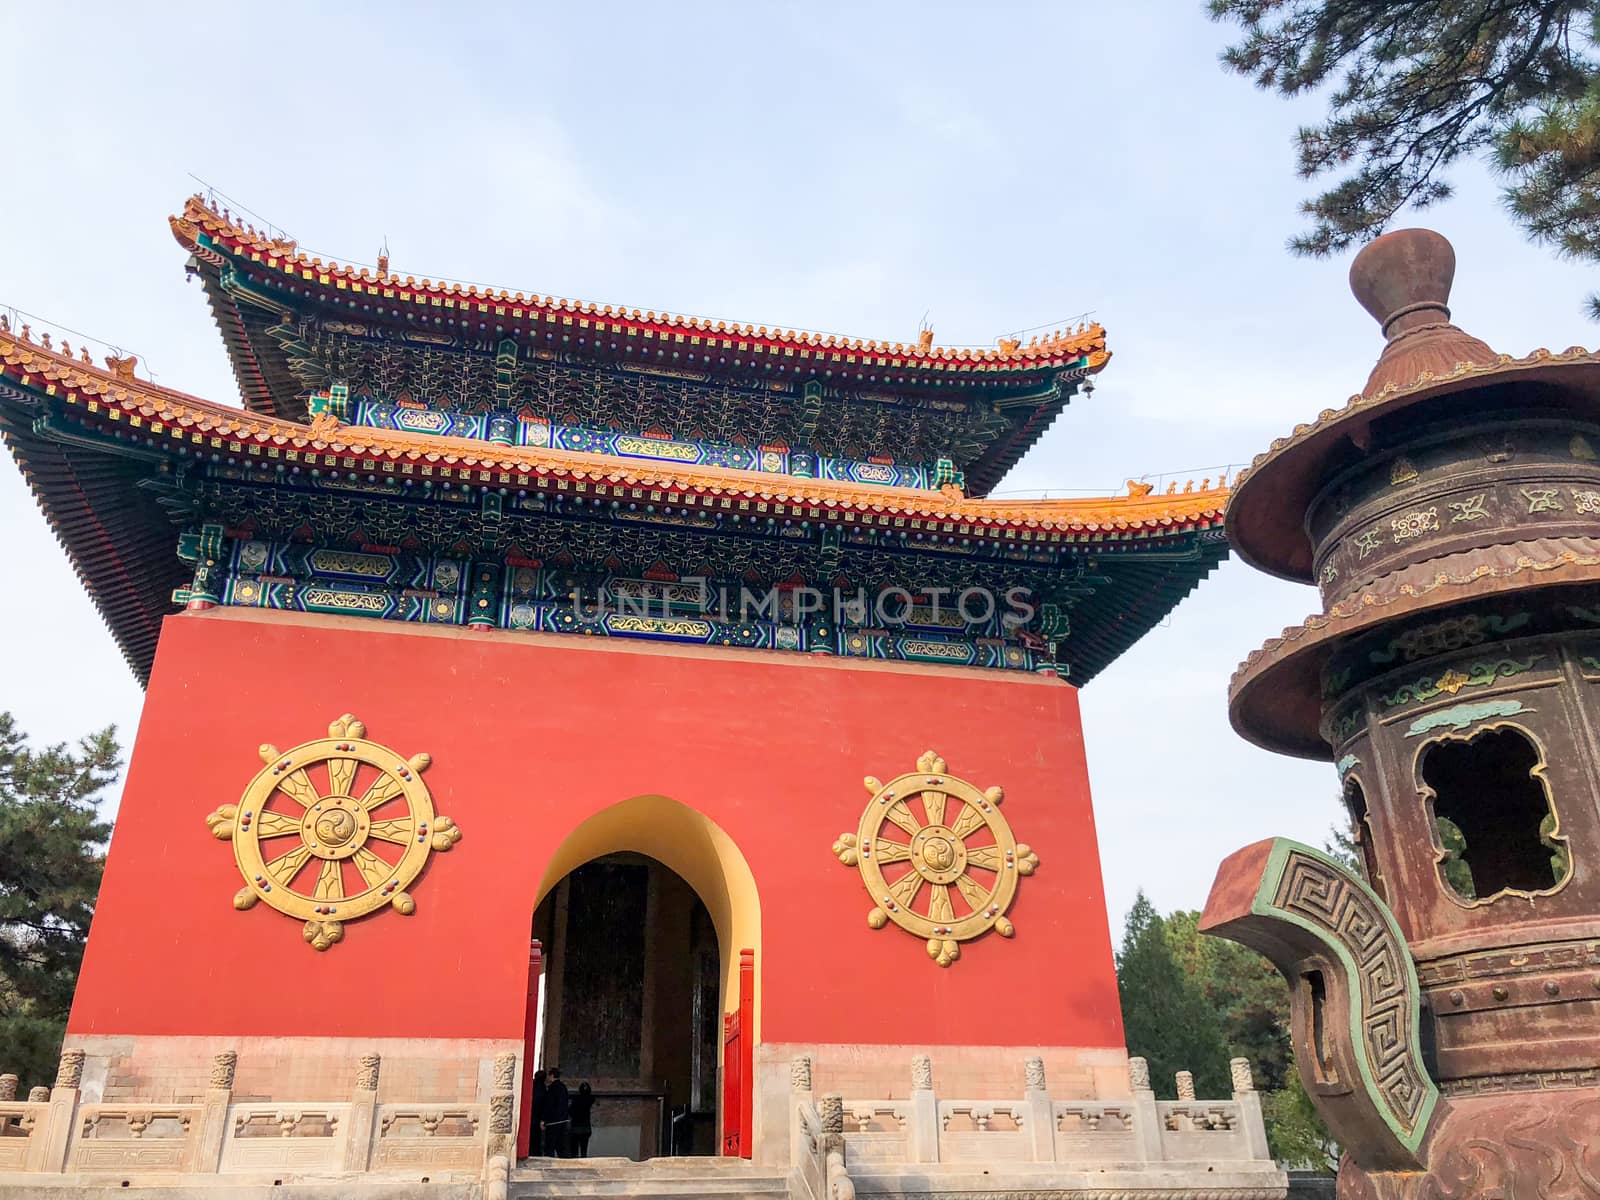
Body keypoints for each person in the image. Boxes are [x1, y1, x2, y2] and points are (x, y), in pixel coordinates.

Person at [543, 1067, 572, 1157]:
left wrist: (544, 1119)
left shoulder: (552, 1089)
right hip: (563, 1120)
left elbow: (549, 1105)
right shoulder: (563, 1087)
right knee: (561, 1145)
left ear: (551, 1076)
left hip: (553, 1121)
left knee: (550, 1146)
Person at [570, 1082, 594, 1158]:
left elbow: (570, 1111)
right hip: (586, 1128)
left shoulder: (576, 1100)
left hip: (576, 1127)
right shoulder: (590, 1099)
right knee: (584, 1150)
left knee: (574, 1150)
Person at [529, 1069, 547, 1157]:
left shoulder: (531, 1086)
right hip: (538, 1118)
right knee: (536, 1140)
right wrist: (543, 1119)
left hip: (530, 1116)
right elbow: (545, 1106)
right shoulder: (543, 1089)